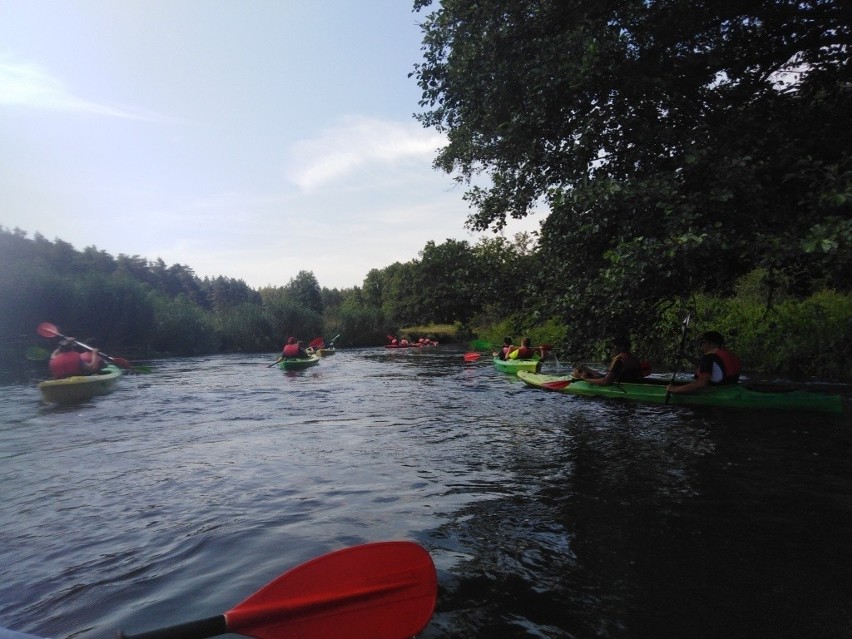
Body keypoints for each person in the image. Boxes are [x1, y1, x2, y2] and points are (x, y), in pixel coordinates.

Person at [666, 330, 742, 394]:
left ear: (709, 343)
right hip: (731, 389)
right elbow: (711, 367)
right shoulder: (729, 354)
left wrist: (675, 389)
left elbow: (701, 383)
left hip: (715, 393)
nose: (701, 346)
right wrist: (685, 356)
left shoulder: (709, 357)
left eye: (702, 342)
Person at [575, 337, 643, 385]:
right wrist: (589, 370)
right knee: (583, 369)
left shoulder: (619, 360)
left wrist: (586, 379)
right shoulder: (632, 357)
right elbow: (610, 376)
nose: (612, 349)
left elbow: (606, 381)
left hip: (625, 386)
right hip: (630, 382)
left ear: (622, 347)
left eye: (614, 346)